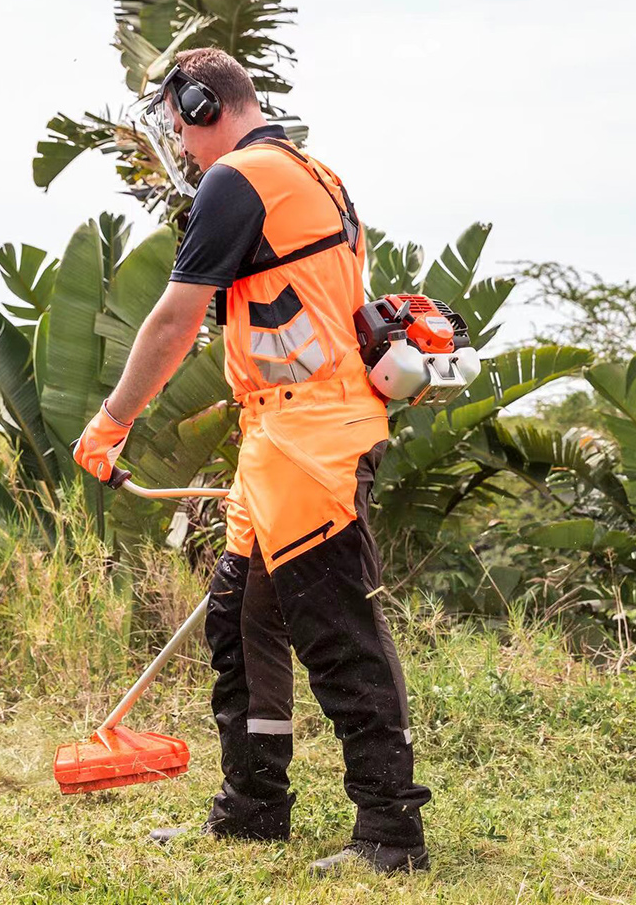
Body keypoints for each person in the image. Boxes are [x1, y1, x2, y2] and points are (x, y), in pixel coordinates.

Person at [73, 47, 432, 876]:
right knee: (241, 623)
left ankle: (390, 834)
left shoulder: (240, 178)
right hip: (278, 434)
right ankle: (252, 811)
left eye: (178, 127)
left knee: (339, 635)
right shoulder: (313, 172)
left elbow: (172, 322)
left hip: (314, 439)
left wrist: (112, 422)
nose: (181, 147)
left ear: (202, 106)